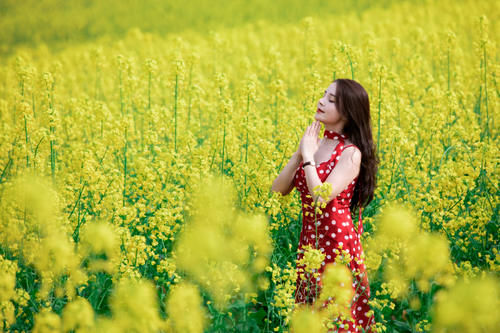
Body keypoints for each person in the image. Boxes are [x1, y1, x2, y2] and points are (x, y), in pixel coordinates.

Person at [271, 78, 379, 333]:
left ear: (348, 112)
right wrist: (300, 154)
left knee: (336, 314)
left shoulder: (350, 153)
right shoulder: (314, 144)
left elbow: (321, 198)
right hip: (310, 241)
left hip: (337, 242)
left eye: (331, 100)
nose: (321, 101)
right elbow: (278, 190)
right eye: (323, 95)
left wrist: (308, 157)